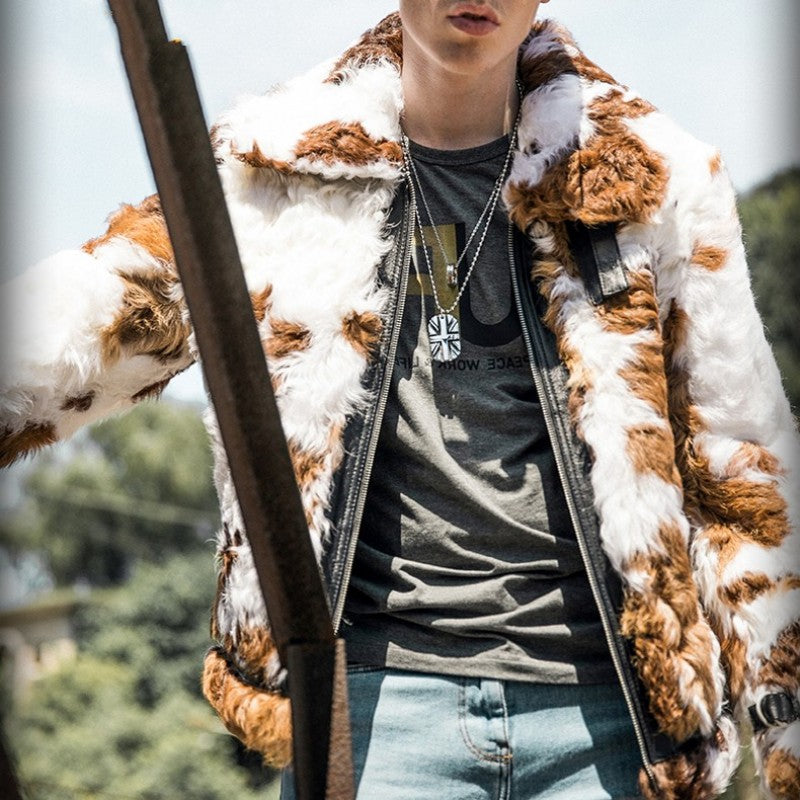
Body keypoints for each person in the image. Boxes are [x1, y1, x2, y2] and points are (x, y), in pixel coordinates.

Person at [1, 2, 798, 799]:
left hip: (611, 724)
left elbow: (745, 473)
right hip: (375, 714)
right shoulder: (280, 164)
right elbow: (102, 312)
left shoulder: (649, 178)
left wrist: (785, 721)